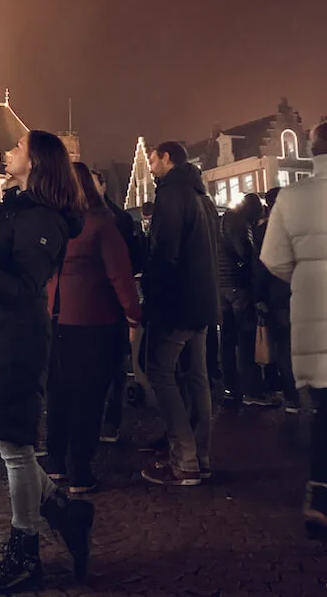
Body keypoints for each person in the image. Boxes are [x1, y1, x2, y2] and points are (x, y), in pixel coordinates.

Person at [0, 131, 93, 593]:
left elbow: (22, 287)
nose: (9, 151)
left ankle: (24, 550)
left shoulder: (43, 219)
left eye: (17, 146)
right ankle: (64, 511)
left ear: (35, 162)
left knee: (13, 447)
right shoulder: (15, 206)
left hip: (14, 341)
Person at [44, 162, 141, 493]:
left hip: (56, 318)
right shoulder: (100, 224)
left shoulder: (54, 221)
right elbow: (120, 276)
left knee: (59, 393)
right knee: (88, 397)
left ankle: (55, 461)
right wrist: (133, 316)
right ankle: (79, 470)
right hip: (94, 319)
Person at [139, 141, 219, 487]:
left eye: (154, 159)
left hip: (177, 302)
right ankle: (201, 456)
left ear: (166, 158)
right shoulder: (202, 196)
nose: (152, 166)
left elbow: (164, 253)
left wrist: (152, 294)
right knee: (197, 377)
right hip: (202, 301)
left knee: (160, 372)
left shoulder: (171, 195)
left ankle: (183, 457)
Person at [261, 122, 327, 531]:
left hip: (315, 317)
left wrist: (305, 277)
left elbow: (273, 259)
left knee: (323, 410)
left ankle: (320, 497)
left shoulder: (292, 196)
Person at [90, 168, 141, 444]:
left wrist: (130, 309)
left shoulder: (117, 218)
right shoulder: (75, 216)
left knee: (115, 363)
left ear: (102, 185)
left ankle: (111, 419)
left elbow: (128, 264)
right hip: (90, 299)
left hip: (111, 300)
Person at [218, 192, 270, 405]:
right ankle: (252, 390)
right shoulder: (239, 222)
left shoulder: (222, 219)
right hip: (238, 286)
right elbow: (245, 253)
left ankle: (230, 387)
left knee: (227, 339)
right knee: (246, 338)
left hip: (220, 284)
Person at [253, 188, 298, 413]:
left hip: (277, 293)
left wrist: (259, 297)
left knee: (284, 345)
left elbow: (261, 266)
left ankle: (292, 396)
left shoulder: (264, 231)